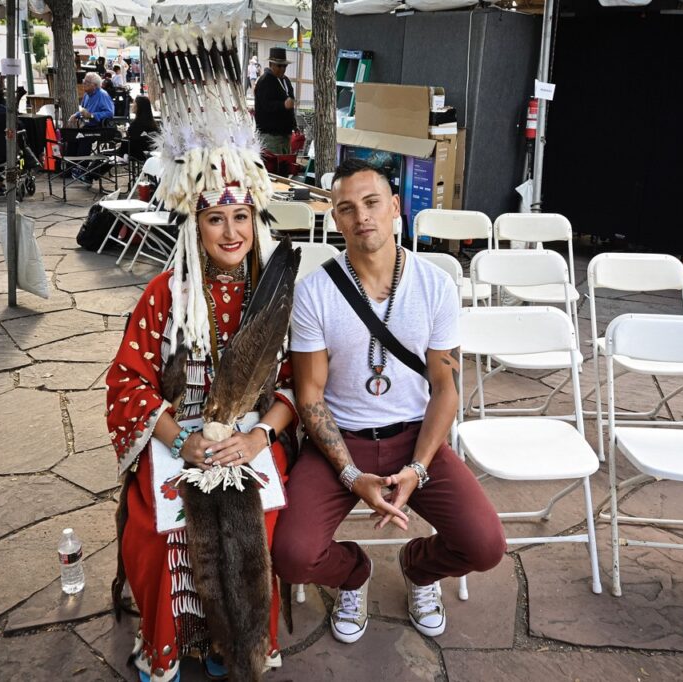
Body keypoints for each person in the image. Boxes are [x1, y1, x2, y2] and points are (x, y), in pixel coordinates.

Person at [272, 158, 506, 644]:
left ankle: (418, 566)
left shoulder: (435, 285)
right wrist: (350, 474)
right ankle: (354, 573)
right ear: (336, 220)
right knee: (292, 556)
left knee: (485, 546)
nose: (362, 216)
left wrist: (418, 468)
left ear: (395, 207)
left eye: (372, 202)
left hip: (415, 438)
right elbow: (310, 395)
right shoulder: (314, 293)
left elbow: (445, 387)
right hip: (341, 442)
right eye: (347, 208)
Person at [106, 124, 296, 680]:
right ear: (195, 225)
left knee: (260, 522)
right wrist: (180, 440)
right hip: (175, 434)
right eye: (215, 218)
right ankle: (170, 644)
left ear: (255, 220)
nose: (231, 232)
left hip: (252, 436)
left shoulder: (275, 296)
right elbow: (128, 382)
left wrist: (258, 438)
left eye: (241, 216)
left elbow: (292, 386)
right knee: (156, 531)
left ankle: (233, 643)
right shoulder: (165, 294)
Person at [65, 71, 115, 182]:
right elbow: (84, 110)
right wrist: (76, 115)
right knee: (72, 138)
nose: (84, 84)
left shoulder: (102, 95)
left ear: (95, 85)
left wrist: (92, 115)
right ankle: (70, 168)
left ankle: (81, 169)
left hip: (99, 127)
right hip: (87, 125)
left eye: (87, 82)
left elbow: (109, 113)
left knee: (84, 139)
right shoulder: (87, 95)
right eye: (84, 81)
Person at [253, 47, 297, 155]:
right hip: (270, 136)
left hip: (285, 135)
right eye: (279, 66)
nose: (282, 69)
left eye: (284, 66)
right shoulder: (264, 81)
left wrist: (293, 124)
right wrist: (283, 105)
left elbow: (290, 104)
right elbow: (265, 106)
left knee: (285, 163)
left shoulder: (286, 81)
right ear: (271, 64)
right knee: (273, 164)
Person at [114, 95, 158, 162]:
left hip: (136, 154)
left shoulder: (136, 124)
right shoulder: (152, 124)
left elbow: (132, 141)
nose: (132, 105)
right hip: (147, 153)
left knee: (106, 153)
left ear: (139, 107)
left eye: (134, 103)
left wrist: (122, 133)